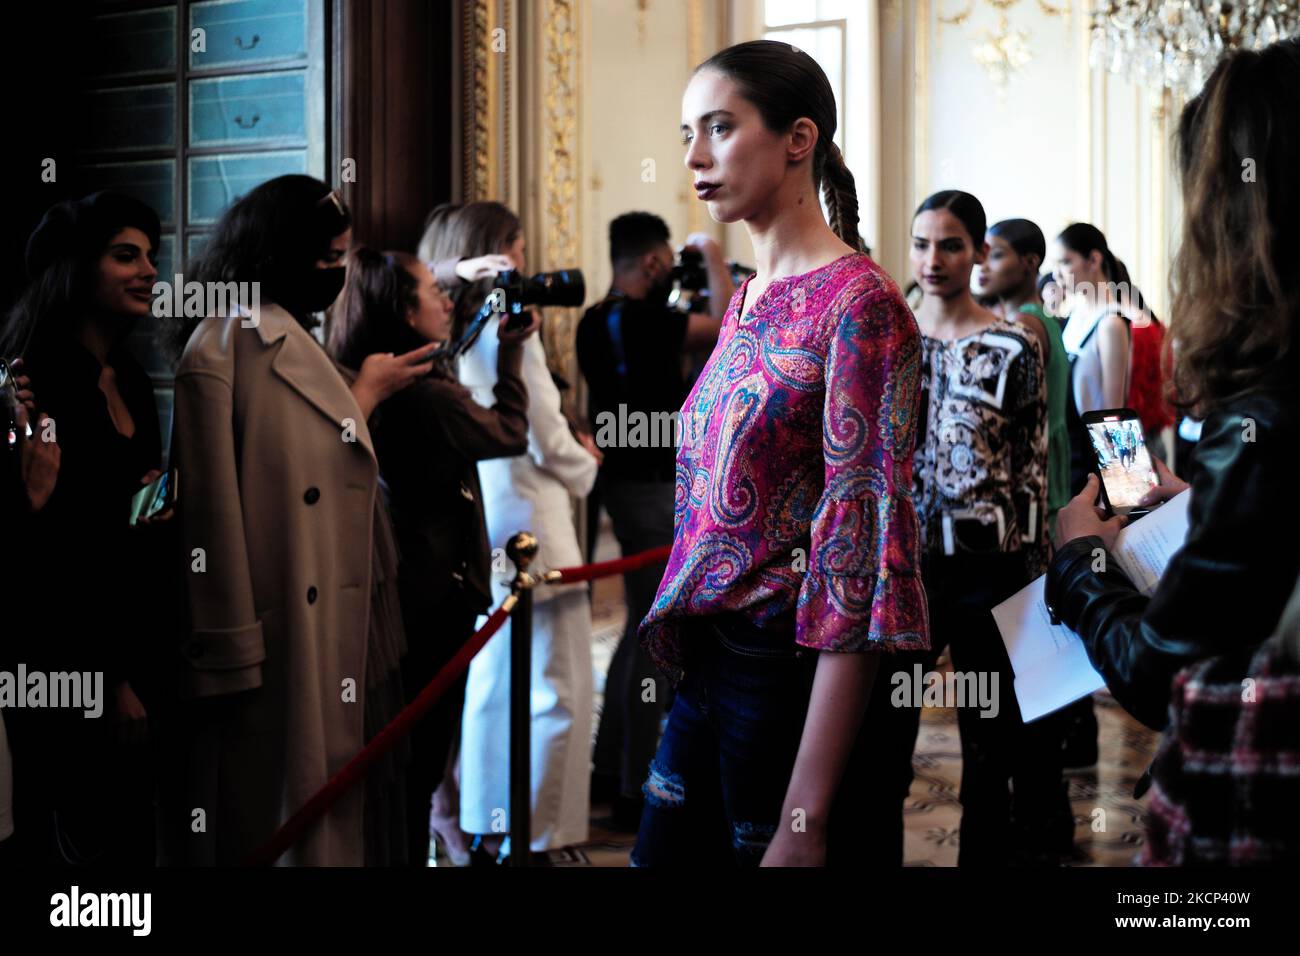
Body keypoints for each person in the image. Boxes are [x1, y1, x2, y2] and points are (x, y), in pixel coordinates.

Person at [634, 39, 928, 867]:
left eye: (720, 128)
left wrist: (808, 813)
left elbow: (859, 556)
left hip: (786, 669)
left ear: (798, 138)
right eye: (688, 132)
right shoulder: (752, 297)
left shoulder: (862, 306)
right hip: (710, 661)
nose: (694, 157)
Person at [164, 175, 432, 866]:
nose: (335, 272)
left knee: (326, 803)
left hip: (328, 621)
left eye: (342, 256)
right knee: (280, 815)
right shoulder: (221, 349)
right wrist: (229, 647)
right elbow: (211, 519)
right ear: (276, 252)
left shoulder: (292, 337)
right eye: (323, 257)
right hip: (276, 629)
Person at [1048, 37, 1300, 745]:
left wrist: (1106, 528)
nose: (1056, 277)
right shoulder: (1068, 319)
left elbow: (1111, 414)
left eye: (1062, 262)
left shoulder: (1113, 323)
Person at [327, 245, 538, 866]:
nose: (445, 299)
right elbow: (508, 432)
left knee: (400, 755)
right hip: (437, 586)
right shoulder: (428, 393)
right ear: (402, 308)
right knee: (422, 751)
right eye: (431, 291)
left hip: (395, 581)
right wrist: (514, 355)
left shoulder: (363, 371)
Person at [427, 200, 600, 860]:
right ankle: (543, 836)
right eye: (517, 250)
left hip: (483, 515)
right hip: (536, 517)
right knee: (558, 685)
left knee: (495, 678)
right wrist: (587, 468)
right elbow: (544, 433)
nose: (526, 265)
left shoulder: (446, 324)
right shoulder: (504, 324)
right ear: (495, 252)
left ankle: (490, 821)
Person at [0, 192, 166, 866]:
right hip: (66, 659)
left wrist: (155, 505)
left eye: (152, 255)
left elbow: (138, 514)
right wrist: (112, 678)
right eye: (126, 255)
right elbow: (53, 555)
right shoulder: (24, 383)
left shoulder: (131, 374)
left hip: (142, 642)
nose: (150, 270)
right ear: (74, 269)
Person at [902, 190, 1065, 864]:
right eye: (921, 244)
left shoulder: (1010, 346)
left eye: (950, 244)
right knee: (882, 739)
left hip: (990, 571)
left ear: (975, 253)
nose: (933, 259)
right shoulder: (890, 341)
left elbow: (1032, 466)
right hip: (903, 567)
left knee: (990, 744)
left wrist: (1038, 575)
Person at [576, 211, 731, 829]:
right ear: (651, 263)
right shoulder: (650, 319)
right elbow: (725, 330)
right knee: (652, 639)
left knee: (636, 630)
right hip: (655, 487)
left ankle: (607, 765)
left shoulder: (591, 320)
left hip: (618, 480)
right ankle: (634, 787)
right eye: (668, 259)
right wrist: (714, 259)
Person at [979, 218, 1071, 538]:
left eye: (996, 255)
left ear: (1030, 263)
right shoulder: (1039, 317)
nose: (983, 265)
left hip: (1033, 479)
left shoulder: (1024, 325)